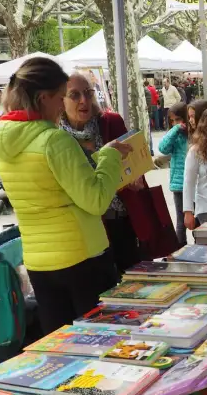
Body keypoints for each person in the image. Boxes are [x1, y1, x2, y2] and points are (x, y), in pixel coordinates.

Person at [0, 57, 131, 333]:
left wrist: (100, 156)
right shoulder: (54, 140)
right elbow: (96, 200)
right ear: (43, 98)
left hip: (40, 263)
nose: (63, 106)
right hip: (81, 258)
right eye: (62, 97)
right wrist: (111, 158)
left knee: (61, 345)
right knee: (102, 342)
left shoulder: (4, 142)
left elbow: (53, 186)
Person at [61, 72, 155, 272]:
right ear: (60, 100)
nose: (84, 100)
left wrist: (137, 178)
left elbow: (133, 161)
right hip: (86, 227)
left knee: (132, 281)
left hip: (122, 217)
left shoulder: (110, 122)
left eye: (88, 93)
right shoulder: (56, 137)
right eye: (75, 95)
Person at [159, 102, 191, 247]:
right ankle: (181, 247)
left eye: (178, 119)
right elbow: (162, 148)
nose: (175, 123)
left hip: (194, 184)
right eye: (172, 121)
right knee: (181, 220)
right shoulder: (175, 136)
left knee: (196, 218)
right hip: (179, 184)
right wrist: (175, 129)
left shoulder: (192, 135)